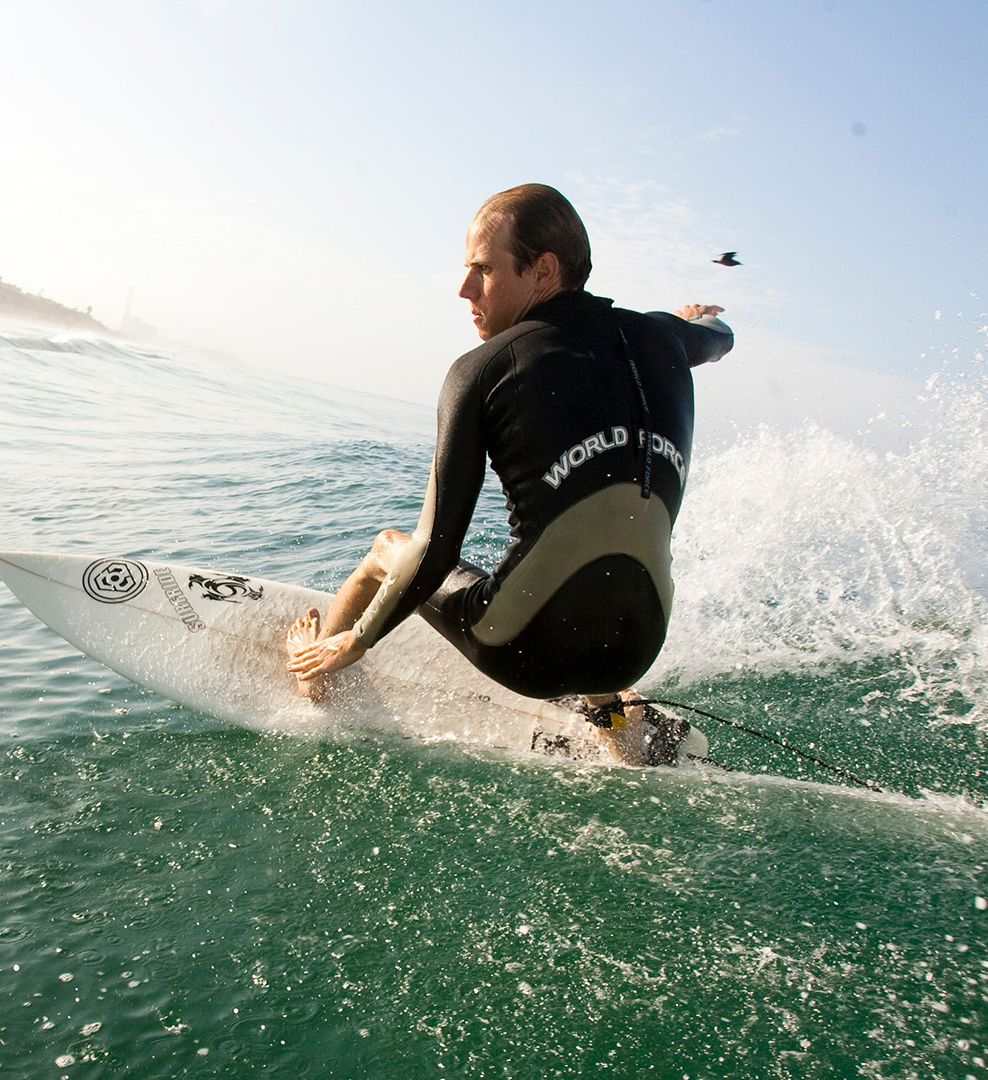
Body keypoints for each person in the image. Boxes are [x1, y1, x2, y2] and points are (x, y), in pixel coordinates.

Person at [284, 183, 734, 765]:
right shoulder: (665, 338)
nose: (464, 288)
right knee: (586, 571)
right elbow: (721, 338)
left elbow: (434, 552)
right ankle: (619, 726)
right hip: (639, 646)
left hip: (526, 654)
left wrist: (359, 637)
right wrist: (687, 322)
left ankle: (314, 675)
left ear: (543, 270)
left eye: (483, 270)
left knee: (386, 549)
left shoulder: (483, 370)